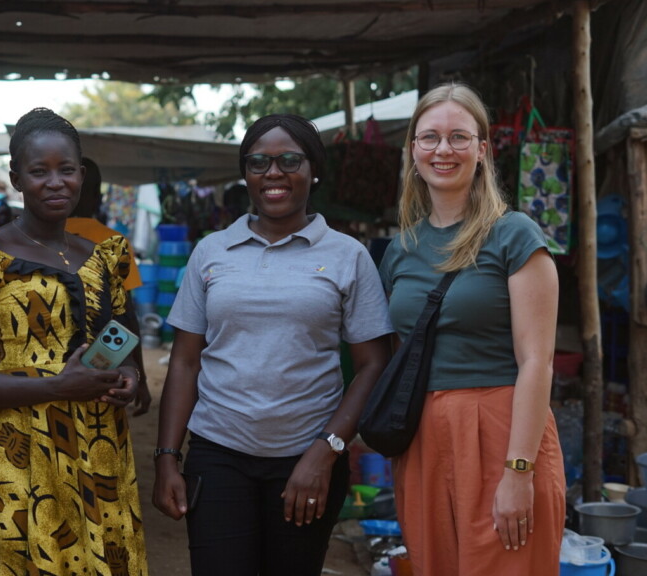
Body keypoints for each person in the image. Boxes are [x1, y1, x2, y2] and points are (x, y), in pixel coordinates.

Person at [152, 114, 392, 576]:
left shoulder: (347, 256)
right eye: (259, 161)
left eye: (289, 160)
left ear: (313, 170)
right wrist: (167, 458)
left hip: (308, 457)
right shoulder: (212, 251)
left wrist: (328, 450)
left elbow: (373, 364)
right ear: (245, 173)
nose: (274, 172)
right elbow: (184, 362)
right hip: (219, 452)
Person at [0, 107, 148, 576]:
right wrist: (54, 388)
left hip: (95, 450)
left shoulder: (102, 258)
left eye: (66, 170)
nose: (55, 182)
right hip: (13, 455)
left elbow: (119, 340)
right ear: (16, 178)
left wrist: (125, 375)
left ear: (81, 176)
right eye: (39, 171)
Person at [377, 82, 565, 576]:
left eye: (459, 138)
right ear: (412, 150)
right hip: (424, 439)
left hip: (502, 430)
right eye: (430, 138)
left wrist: (518, 472)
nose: (444, 150)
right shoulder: (400, 249)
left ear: (482, 151)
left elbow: (536, 362)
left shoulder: (515, 235)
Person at [65, 156, 151, 416]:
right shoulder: (113, 241)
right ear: (98, 197)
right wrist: (140, 377)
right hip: (104, 367)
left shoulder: (34, 238)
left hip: (46, 374)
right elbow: (127, 317)